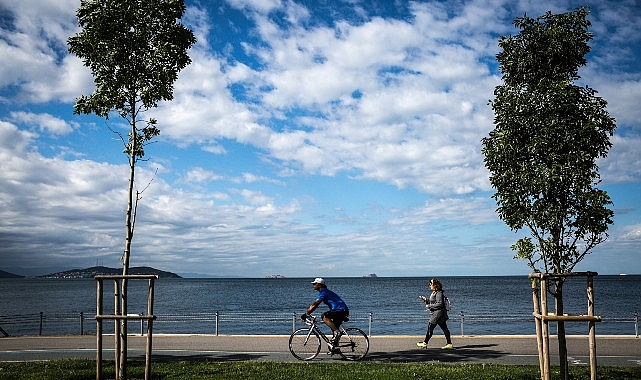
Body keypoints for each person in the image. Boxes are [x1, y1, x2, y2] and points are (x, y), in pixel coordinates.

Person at [302, 277, 349, 348]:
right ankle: (335, 348)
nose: (313, 285)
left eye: (315, 284)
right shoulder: (325, 291)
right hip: (341, 310)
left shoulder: (323, 292)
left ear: (319, 285)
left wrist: (306, 314)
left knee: (324, 316)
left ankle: (338, 333)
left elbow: (315, 304)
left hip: (340, 310)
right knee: (334, 328)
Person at [417, 278, 453, 349]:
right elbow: (434, 302)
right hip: (439, 313)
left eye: (431, 284)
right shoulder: (435, 292)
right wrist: (425, 300)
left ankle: (425, 343)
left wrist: (429, 306)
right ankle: (449, 344)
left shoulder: (439, 293)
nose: (429, 285)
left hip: (437, 314)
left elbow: (440, 304)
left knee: (430, 327)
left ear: (435, 285)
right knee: (444, 328)